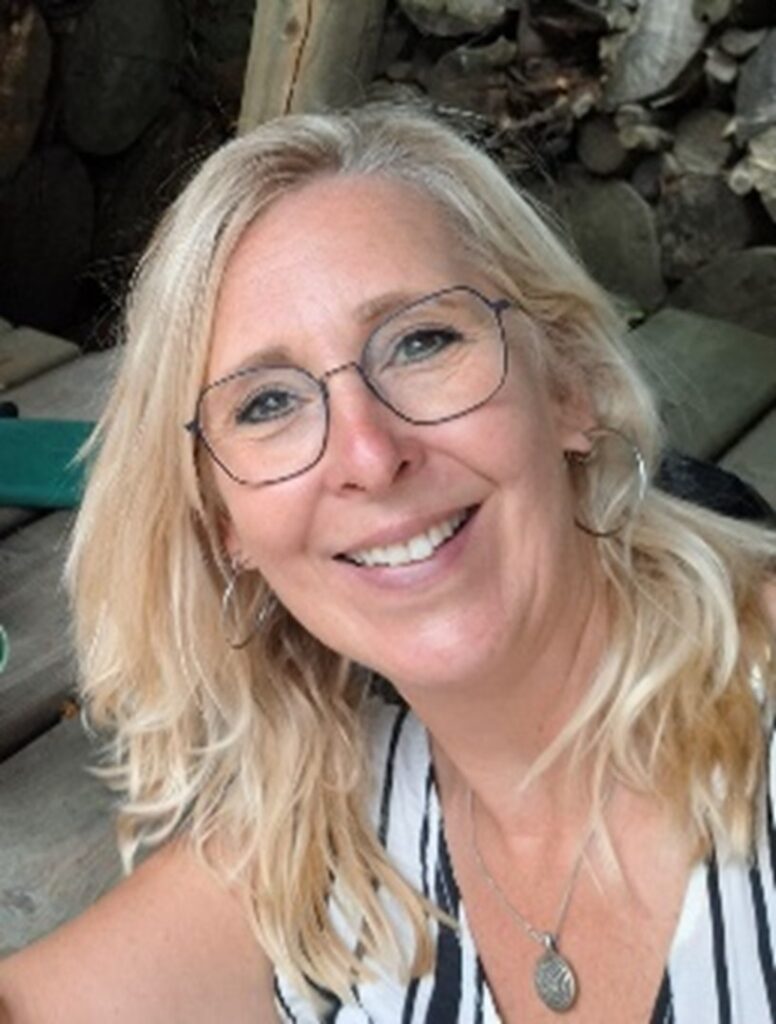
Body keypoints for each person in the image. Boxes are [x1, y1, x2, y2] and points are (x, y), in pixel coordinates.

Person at [0, 105, 775, 1024]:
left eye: (422, 342)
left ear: (571, 384)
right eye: (268, 403)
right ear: (224, 525)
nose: (369, 455)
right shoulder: (329, 827)